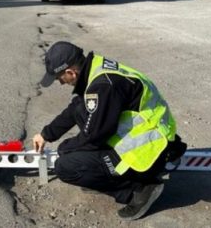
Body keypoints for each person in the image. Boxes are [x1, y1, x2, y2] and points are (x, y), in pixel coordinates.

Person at [32, 41, 186, 221]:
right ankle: (104, 174)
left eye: (59, 78)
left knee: (66, 166)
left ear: (70, 72)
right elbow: (76, 108)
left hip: (149, 149)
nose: (59, 83)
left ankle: (139, 190)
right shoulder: (95, 68)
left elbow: (95, 136)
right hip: (154, 136)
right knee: (79, 118)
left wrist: (67, 148)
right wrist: (46, 134)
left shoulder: (103, 86)